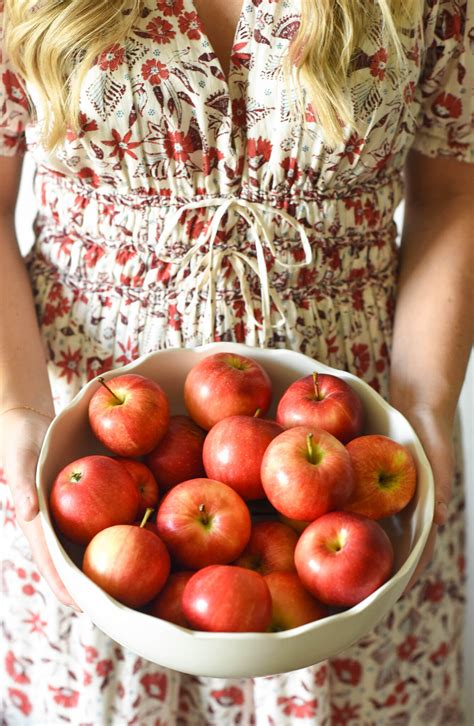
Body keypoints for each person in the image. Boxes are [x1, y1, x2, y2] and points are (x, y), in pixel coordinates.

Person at [0, 0, 472, 723]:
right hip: (90, 466)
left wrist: (428, 404)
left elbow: (451, 191)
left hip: (353, 467)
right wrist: (17, 413)